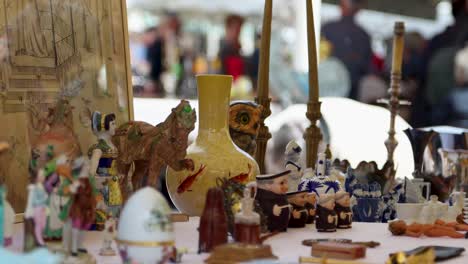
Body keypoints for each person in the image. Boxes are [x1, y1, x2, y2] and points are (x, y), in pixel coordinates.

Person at [321, 0, 372, 100]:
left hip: (329, 87)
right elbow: (366, 66)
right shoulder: (363, 35)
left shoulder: (328, 28)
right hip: (343, 88)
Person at [219, 14, 245, 80]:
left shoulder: (238, 49)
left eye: (239, 29)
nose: (237, 32)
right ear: (227, 29)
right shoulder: (224, 49)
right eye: (234, 28)